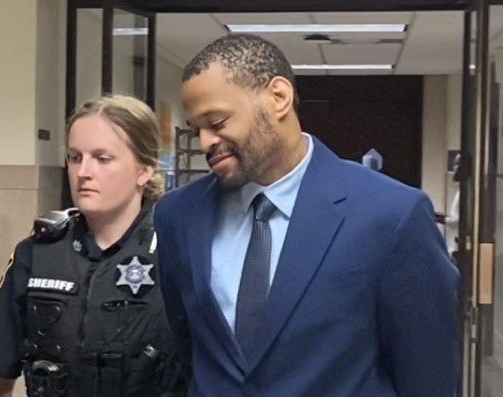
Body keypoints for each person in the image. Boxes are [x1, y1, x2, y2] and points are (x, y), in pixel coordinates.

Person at [153, 33, 460, 397]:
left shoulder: (391, 214)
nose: (205, 142)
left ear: (278, 97)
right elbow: (187, 344)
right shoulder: (178, 215)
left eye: (217, 122)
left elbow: (427, 375)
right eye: (195, 129)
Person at [0, 95, 189, 397]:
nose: (83, 172)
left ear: (145, 169)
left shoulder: (179, 252)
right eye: (75, 157)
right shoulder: (38, 254)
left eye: (102, 158)